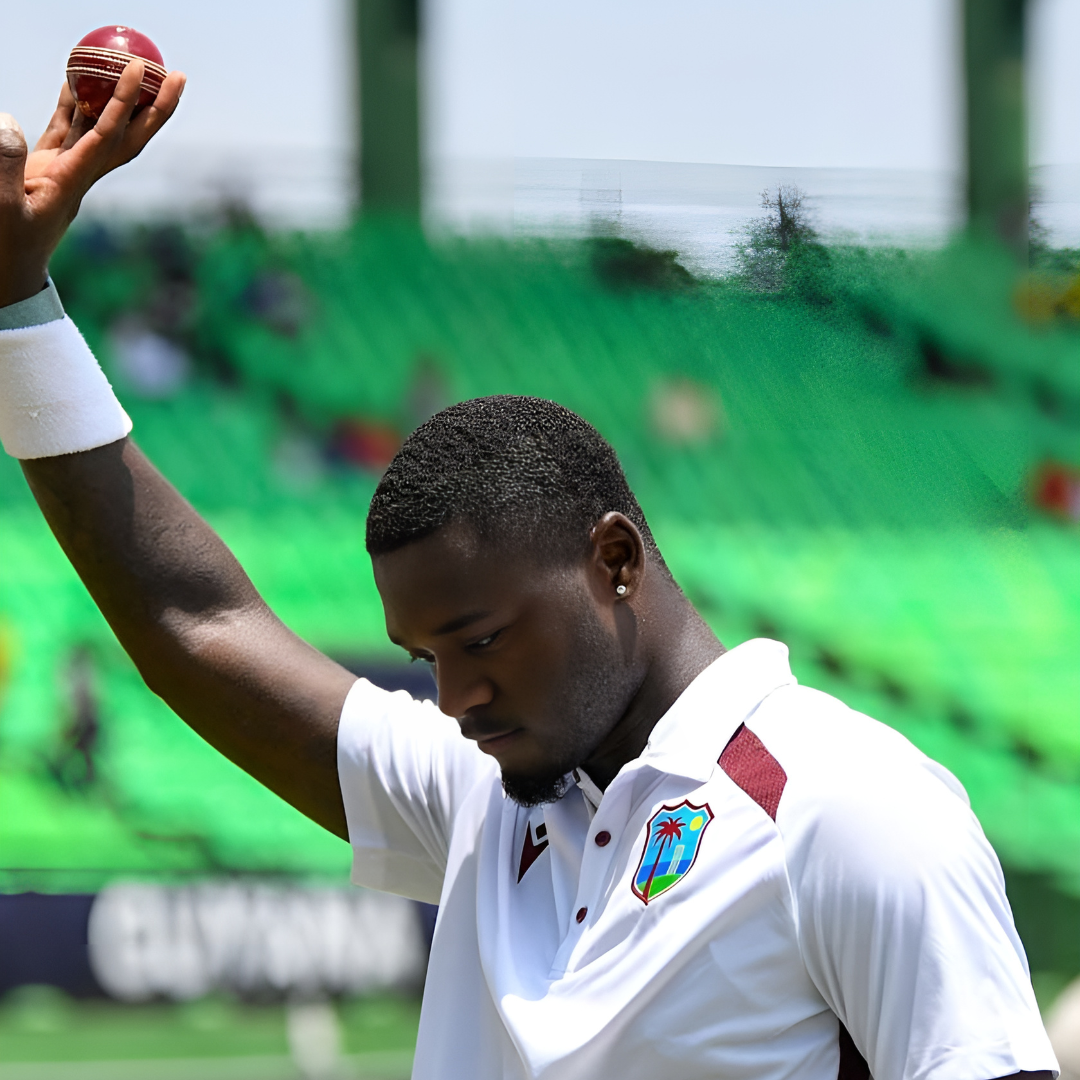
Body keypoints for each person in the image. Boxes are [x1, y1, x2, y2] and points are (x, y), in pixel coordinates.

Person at [0, 67, 1059, 1080]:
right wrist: (17, 302)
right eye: (428, 657)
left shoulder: (848, 809)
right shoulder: (491, 798)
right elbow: (193, 620)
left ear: (613, 560)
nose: (453, 698)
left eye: (482, 640)